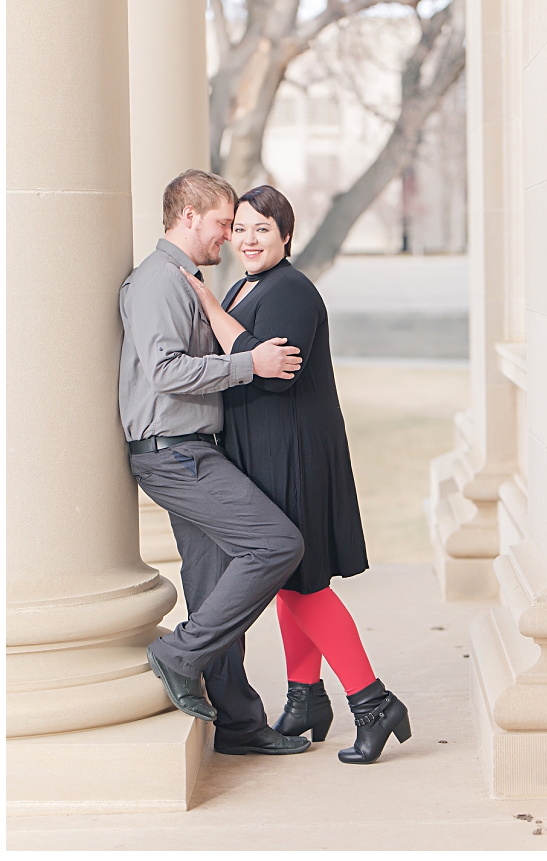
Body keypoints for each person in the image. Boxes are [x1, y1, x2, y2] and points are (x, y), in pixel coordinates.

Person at [181, 184, 411, 765]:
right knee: (289, 576)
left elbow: (273, 368)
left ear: (286, 236)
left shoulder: (292, 290)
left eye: (263, 228)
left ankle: (372, 702)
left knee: (302, 581)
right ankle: (306, 698)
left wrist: (209, 309)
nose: (249, 239)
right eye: (241, 228)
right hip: (265, 449)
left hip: (295, 452)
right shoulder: (245, 285)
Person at [119, 169, 311, 756]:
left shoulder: (187, 280)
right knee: (278, 545)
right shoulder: (156, 282)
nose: (229, 237)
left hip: (193, 450)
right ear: (189, 216)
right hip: (174, 455)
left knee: (213, 590)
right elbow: (166, 371)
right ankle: (177, 654)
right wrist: (251, 364)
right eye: (224, 223)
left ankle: (238, 726)